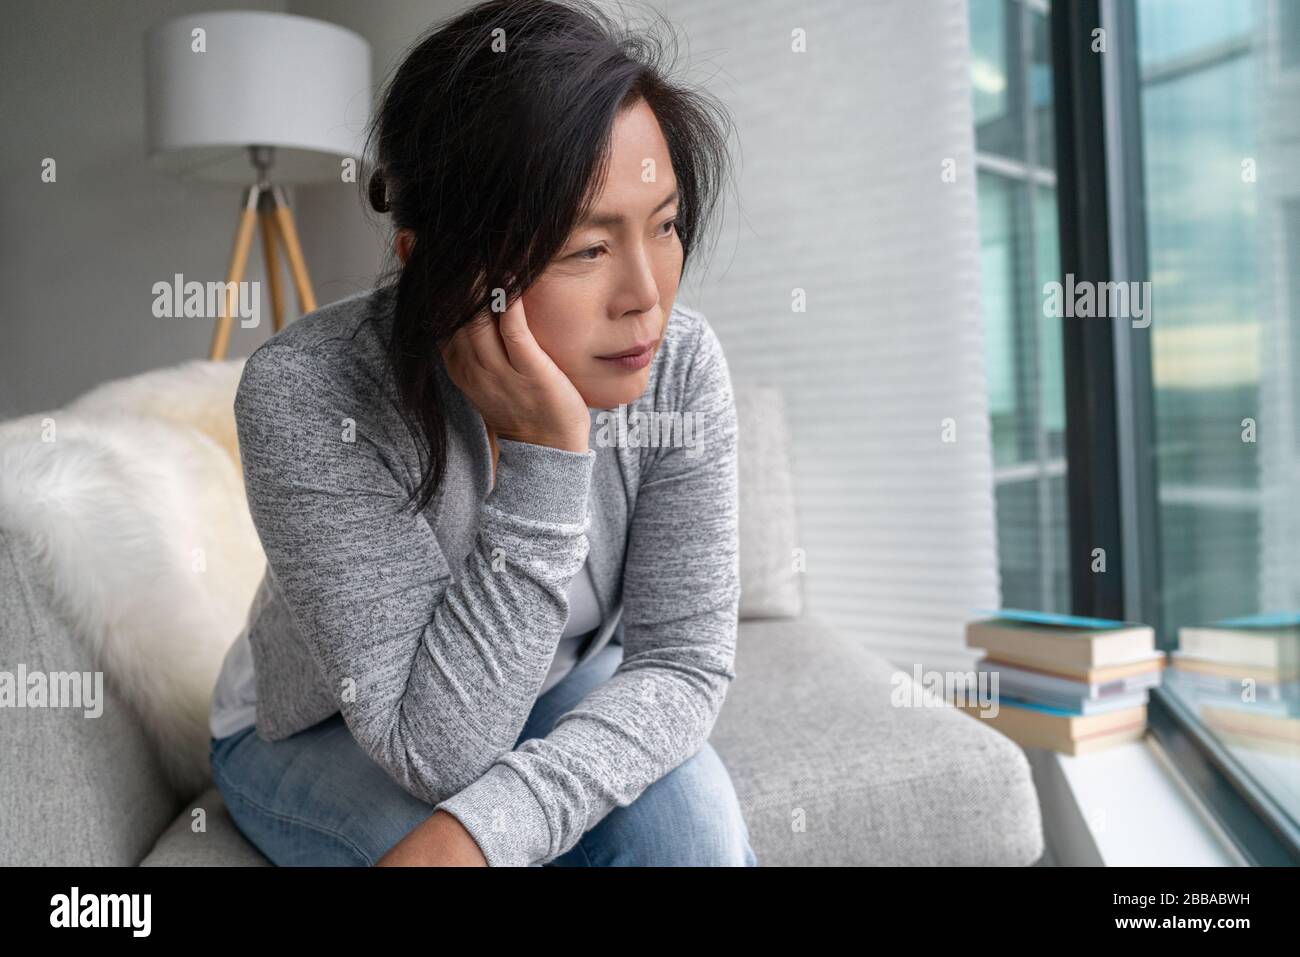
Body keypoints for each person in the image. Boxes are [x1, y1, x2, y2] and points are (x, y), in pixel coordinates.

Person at [208, 0, 754, 867]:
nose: (647, 294)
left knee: (692, 839)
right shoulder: (307, 393)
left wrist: (491, 823)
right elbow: (434, 752)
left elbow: (683, 662)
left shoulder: (680, 362)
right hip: (327, 731)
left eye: (665, 224)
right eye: (587, 248)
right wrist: (548, 457)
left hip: (552, 688)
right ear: (445, 262)